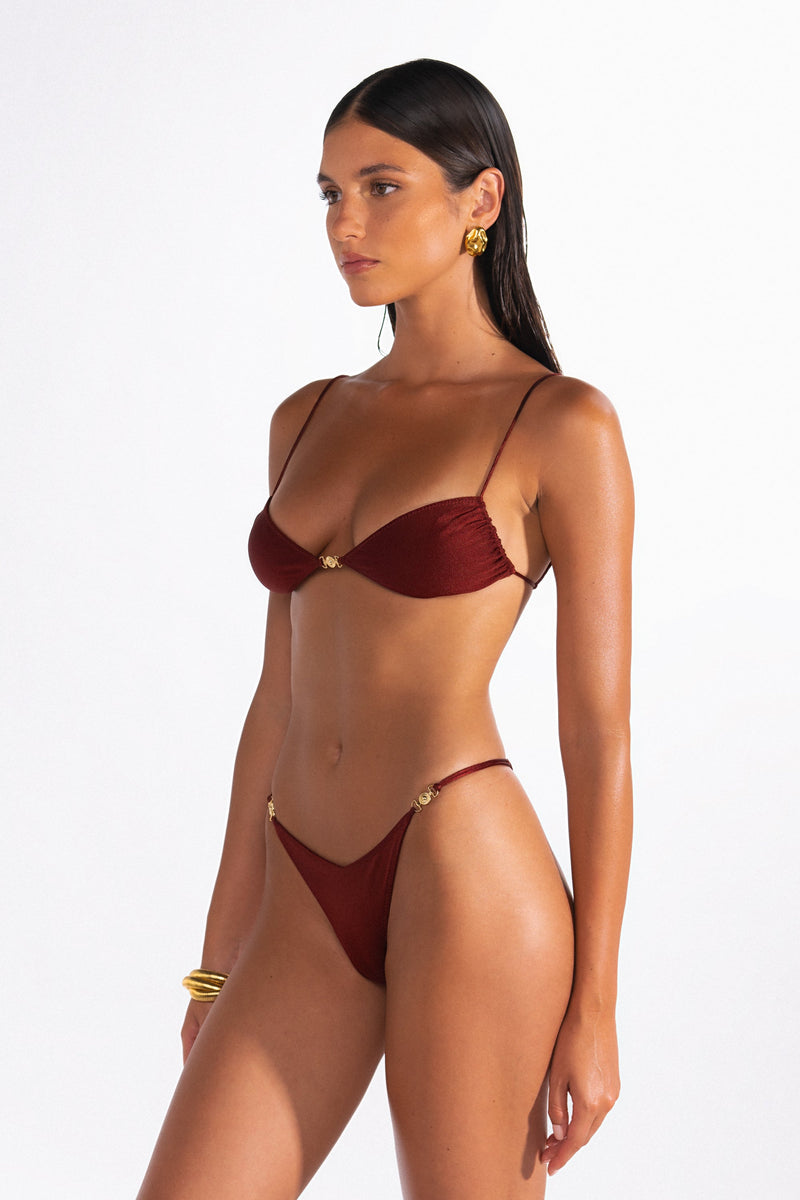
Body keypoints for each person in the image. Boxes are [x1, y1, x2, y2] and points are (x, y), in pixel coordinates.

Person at [137, 58, 633, 1200]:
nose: (344, 225)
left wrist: (596, 1006)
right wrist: (217, 957)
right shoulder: (306, 418)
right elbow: (277, 698)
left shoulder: (560, 423)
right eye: (329, 193)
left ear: (480, 200)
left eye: (380, 187)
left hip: (464, 879)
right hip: (298, 890)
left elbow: (598, 733)